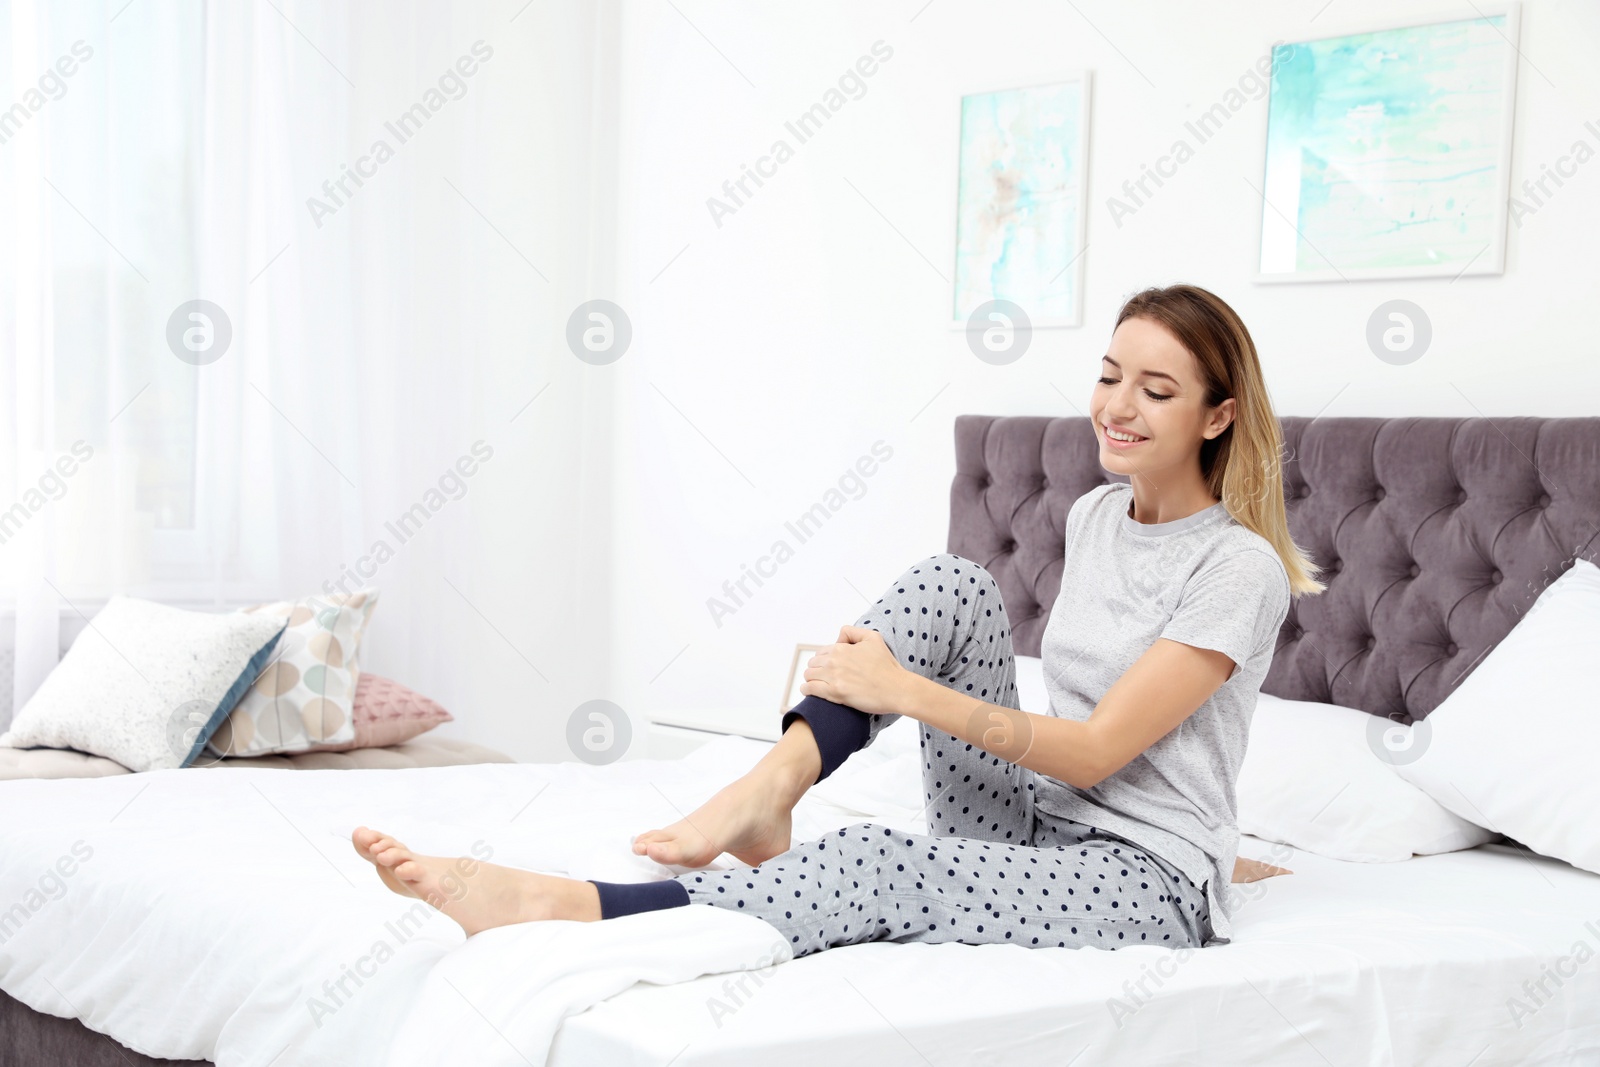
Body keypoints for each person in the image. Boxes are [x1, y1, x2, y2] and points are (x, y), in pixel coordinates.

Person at [352, 283, 1325, 954]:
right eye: (1110, 373)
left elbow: (1097, 751)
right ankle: (770, 784)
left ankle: (562, 901)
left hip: (1141, 882)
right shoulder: (1095, 511)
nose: (1115, 405)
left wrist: (905, 694)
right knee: (954, 581)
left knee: (871, 860)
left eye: (1155, 390)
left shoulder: (1238, 570)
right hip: (1034, 827)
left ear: (1215, 415)